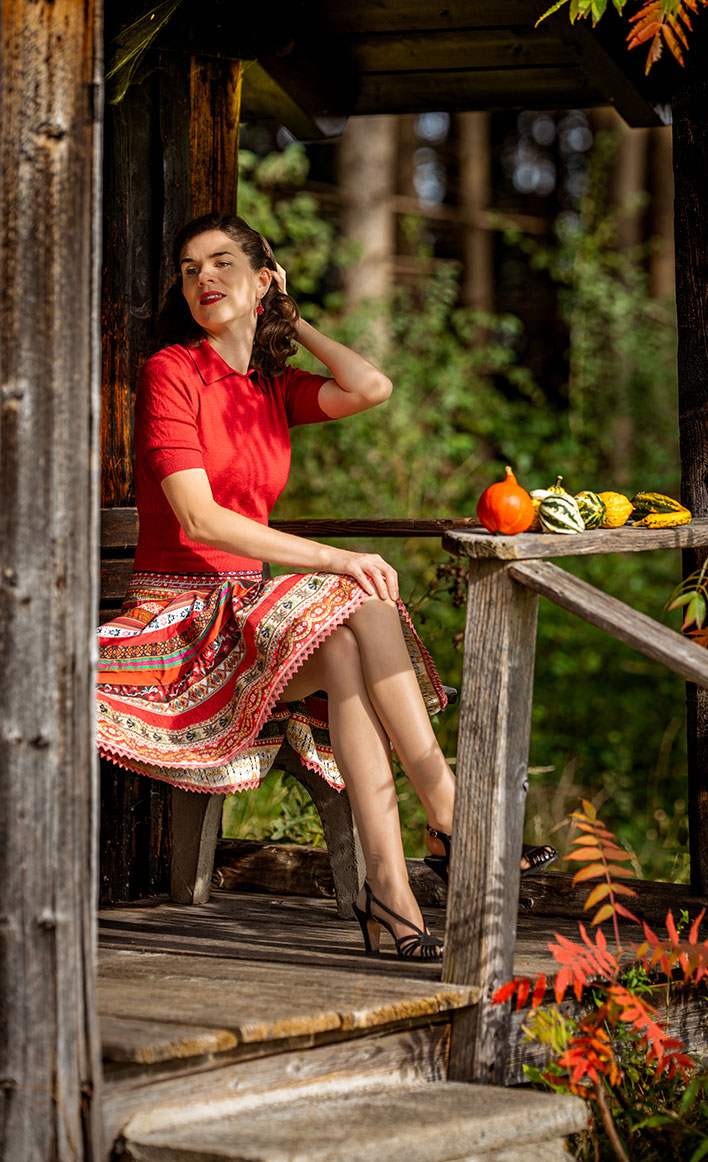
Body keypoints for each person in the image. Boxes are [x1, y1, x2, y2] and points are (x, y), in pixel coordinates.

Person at [96, 212, 556, 963]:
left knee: (348, 646)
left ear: (262, 278)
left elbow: (371, 385)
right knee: (358, 595)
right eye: (189, 269)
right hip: (177, 622)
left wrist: (292, 319)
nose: (203, 278)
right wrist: (331, 558)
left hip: (245, 617)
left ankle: (391, 889)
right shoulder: (173, 371)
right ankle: (449, 814)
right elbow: (198, 519)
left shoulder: (269, 386)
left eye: (222, 264)